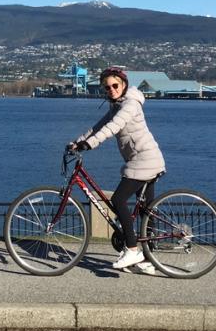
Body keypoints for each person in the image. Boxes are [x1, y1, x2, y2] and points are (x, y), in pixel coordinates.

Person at [68, 68, 166, 274]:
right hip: (140, 159)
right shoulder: (116, 105)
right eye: (107, 87)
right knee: (146, 210)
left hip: (145, 160)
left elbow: (113, 127)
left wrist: (90, 145)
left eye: (115, 85)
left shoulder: (130, 104)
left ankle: (131, 249)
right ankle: (147, 259)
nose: (111, 90)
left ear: (124, 85)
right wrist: (77, 143)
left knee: (119, 200)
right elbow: (97, 127)